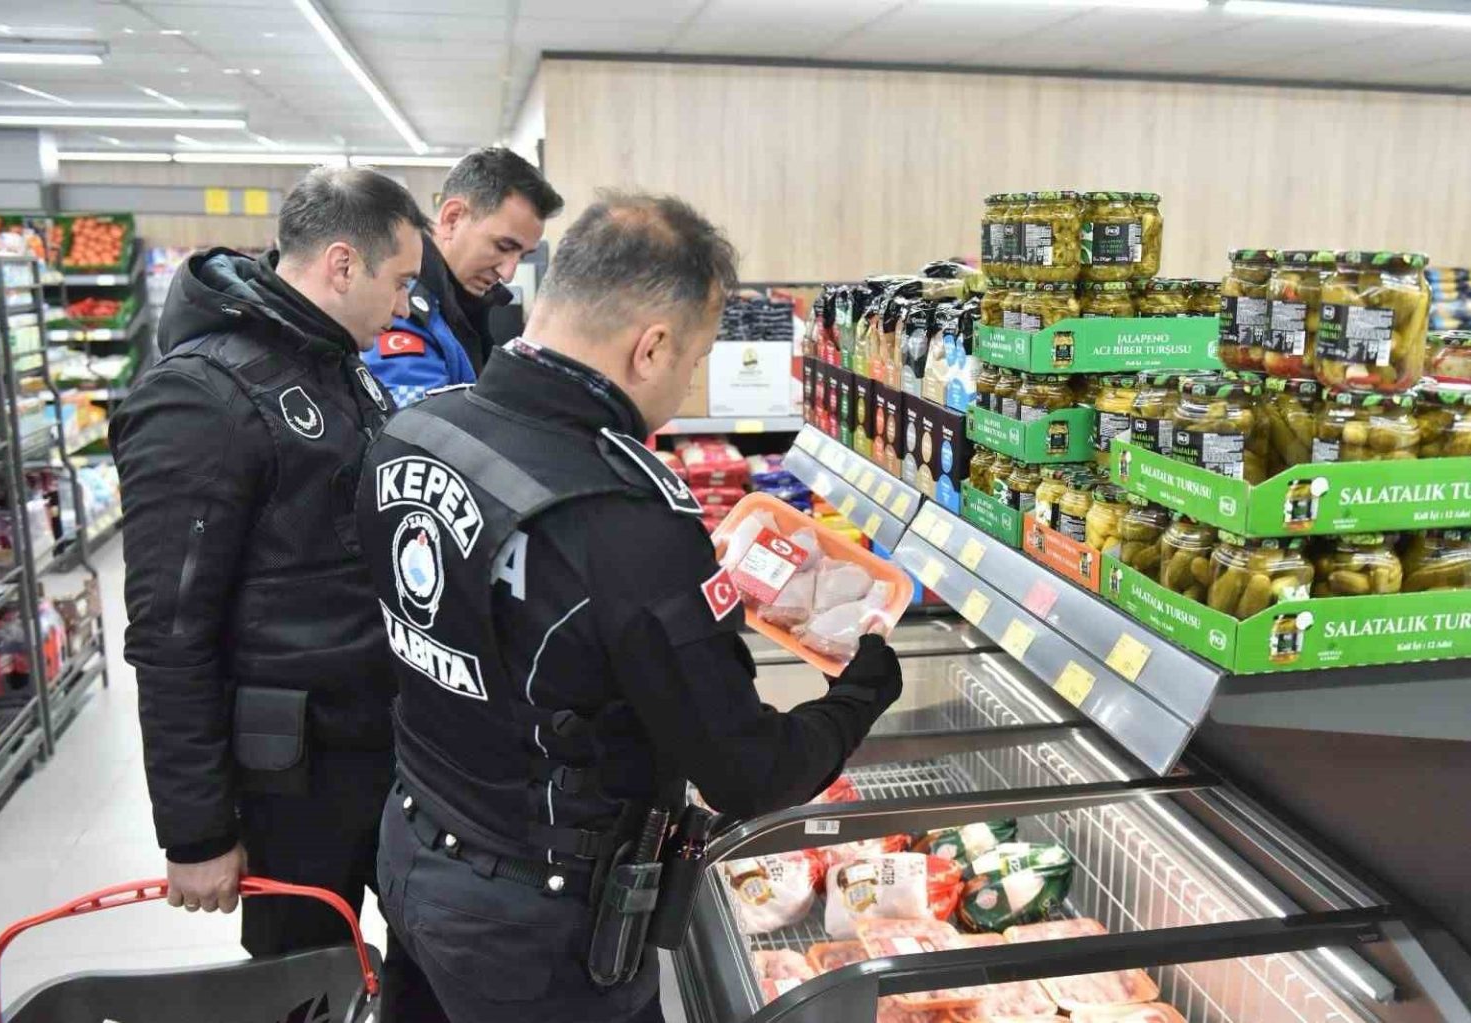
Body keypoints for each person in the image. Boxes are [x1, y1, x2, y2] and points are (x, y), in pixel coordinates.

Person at [355, 192, 905, 1023]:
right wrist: (863, 688)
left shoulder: (417, 429)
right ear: (650, 348)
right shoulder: (627, 518)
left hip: (414, 848)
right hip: (539, 932)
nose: (686, 386)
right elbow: (747, 771)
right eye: (695, 360)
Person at [111, 167, 441, 1013]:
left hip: (372, 742)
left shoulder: (332, 363)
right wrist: (197, 831)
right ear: (342, 264)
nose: (406, 305)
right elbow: (169, 632)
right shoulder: (201, 397)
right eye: (401, 281)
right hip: (290, 780)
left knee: (421, 964)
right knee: (305, 985)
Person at [362, 146, 563, 407]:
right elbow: (420, 423)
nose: (508, 274)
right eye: (503, 246)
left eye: (522, 256)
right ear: (453, 219)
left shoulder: (464, 300)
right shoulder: (401, 306)